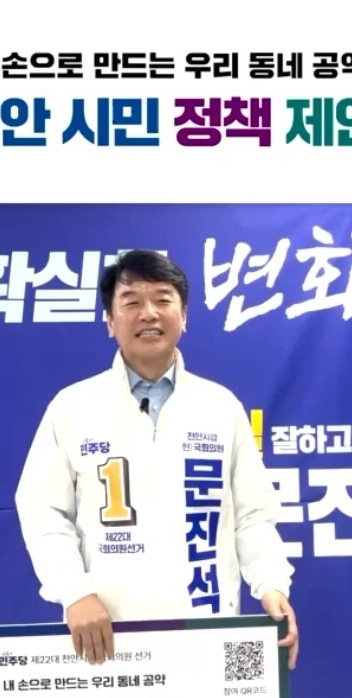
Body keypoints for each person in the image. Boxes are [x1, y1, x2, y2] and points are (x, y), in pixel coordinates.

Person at [15, 249, 298, 668]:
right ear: (110, 322)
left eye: (163, 300)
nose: (148, 313)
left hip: (207, 627)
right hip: (108, 634)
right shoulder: (72, 407)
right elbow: (43, 511)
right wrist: (74, 592)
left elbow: (253, 515)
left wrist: (271, 584)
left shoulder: (220, 406)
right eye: (131, 302)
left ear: (183, 316)